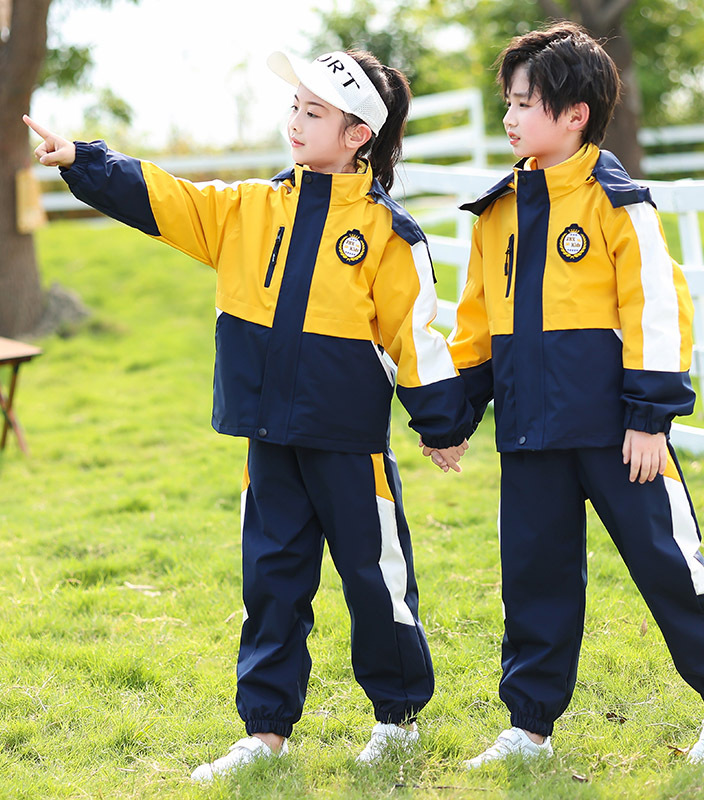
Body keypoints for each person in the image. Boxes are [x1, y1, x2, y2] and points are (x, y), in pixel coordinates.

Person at [25, 48, 471, 780]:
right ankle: (265, 734)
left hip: (349, 447)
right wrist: (82, 159)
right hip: (268, 440)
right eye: (295, 106)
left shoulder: (391, 235)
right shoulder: (247, 208)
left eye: (315, 112)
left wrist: (441, 424)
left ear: (358, 134)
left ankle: (396, 721)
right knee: (271, 583)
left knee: (376, 579)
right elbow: (164, 198)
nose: (295, 121)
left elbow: (414, 334)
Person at [437, 21, 704, 766]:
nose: (511, 117)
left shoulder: (618, 202)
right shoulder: (494, 215)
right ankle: (529, 730)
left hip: (620, 434)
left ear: (574, 113)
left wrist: (650, 419)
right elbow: (477, 328)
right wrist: (453, 416)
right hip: (528, 436)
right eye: (507, 104)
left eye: (525, 104)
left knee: (666, 563)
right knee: (534, 582)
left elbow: (655, 308)